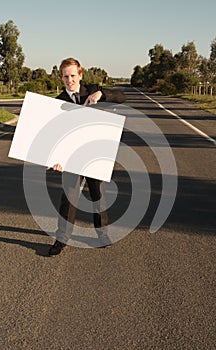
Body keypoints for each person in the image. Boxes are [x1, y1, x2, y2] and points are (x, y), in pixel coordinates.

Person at [48, 57, 125, 256]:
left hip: (94, 154)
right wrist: (55, 159)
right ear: (61, 78)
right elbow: (55, 135)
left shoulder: (92, 91)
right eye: (65, 76)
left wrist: (102, 93)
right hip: (70, 159)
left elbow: (121, 97)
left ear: (80, 75)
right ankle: (61, 240)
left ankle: (102, 235)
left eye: (73, 75)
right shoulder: (57, 102)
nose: (69, 80)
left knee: (97, 195)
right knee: (68, 199)